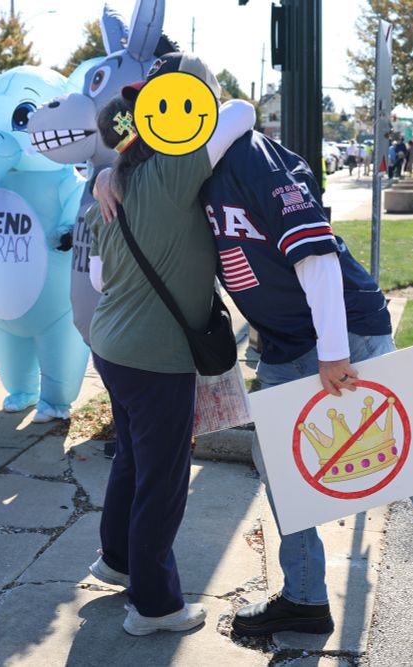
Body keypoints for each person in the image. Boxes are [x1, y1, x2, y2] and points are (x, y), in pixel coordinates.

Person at [92, 56, 413, 664]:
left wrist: (335, 350)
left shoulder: (248, 154)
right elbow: (123, 157)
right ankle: (306, 598)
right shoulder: (183, 167)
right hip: (284, 341)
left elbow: (313, 251)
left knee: (407, 460)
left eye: (179, 100)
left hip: (339, 332)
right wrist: (107, 175)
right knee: (285, 472)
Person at [85, 66, 255, 636]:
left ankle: (115, 559)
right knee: (162, 479)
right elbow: (242, 113)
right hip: (155, 359)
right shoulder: (177, 167)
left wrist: (107, 172)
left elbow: (97, 279)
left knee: (134, 458)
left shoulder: (120, 180)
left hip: (111, 347)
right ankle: (154, 606)